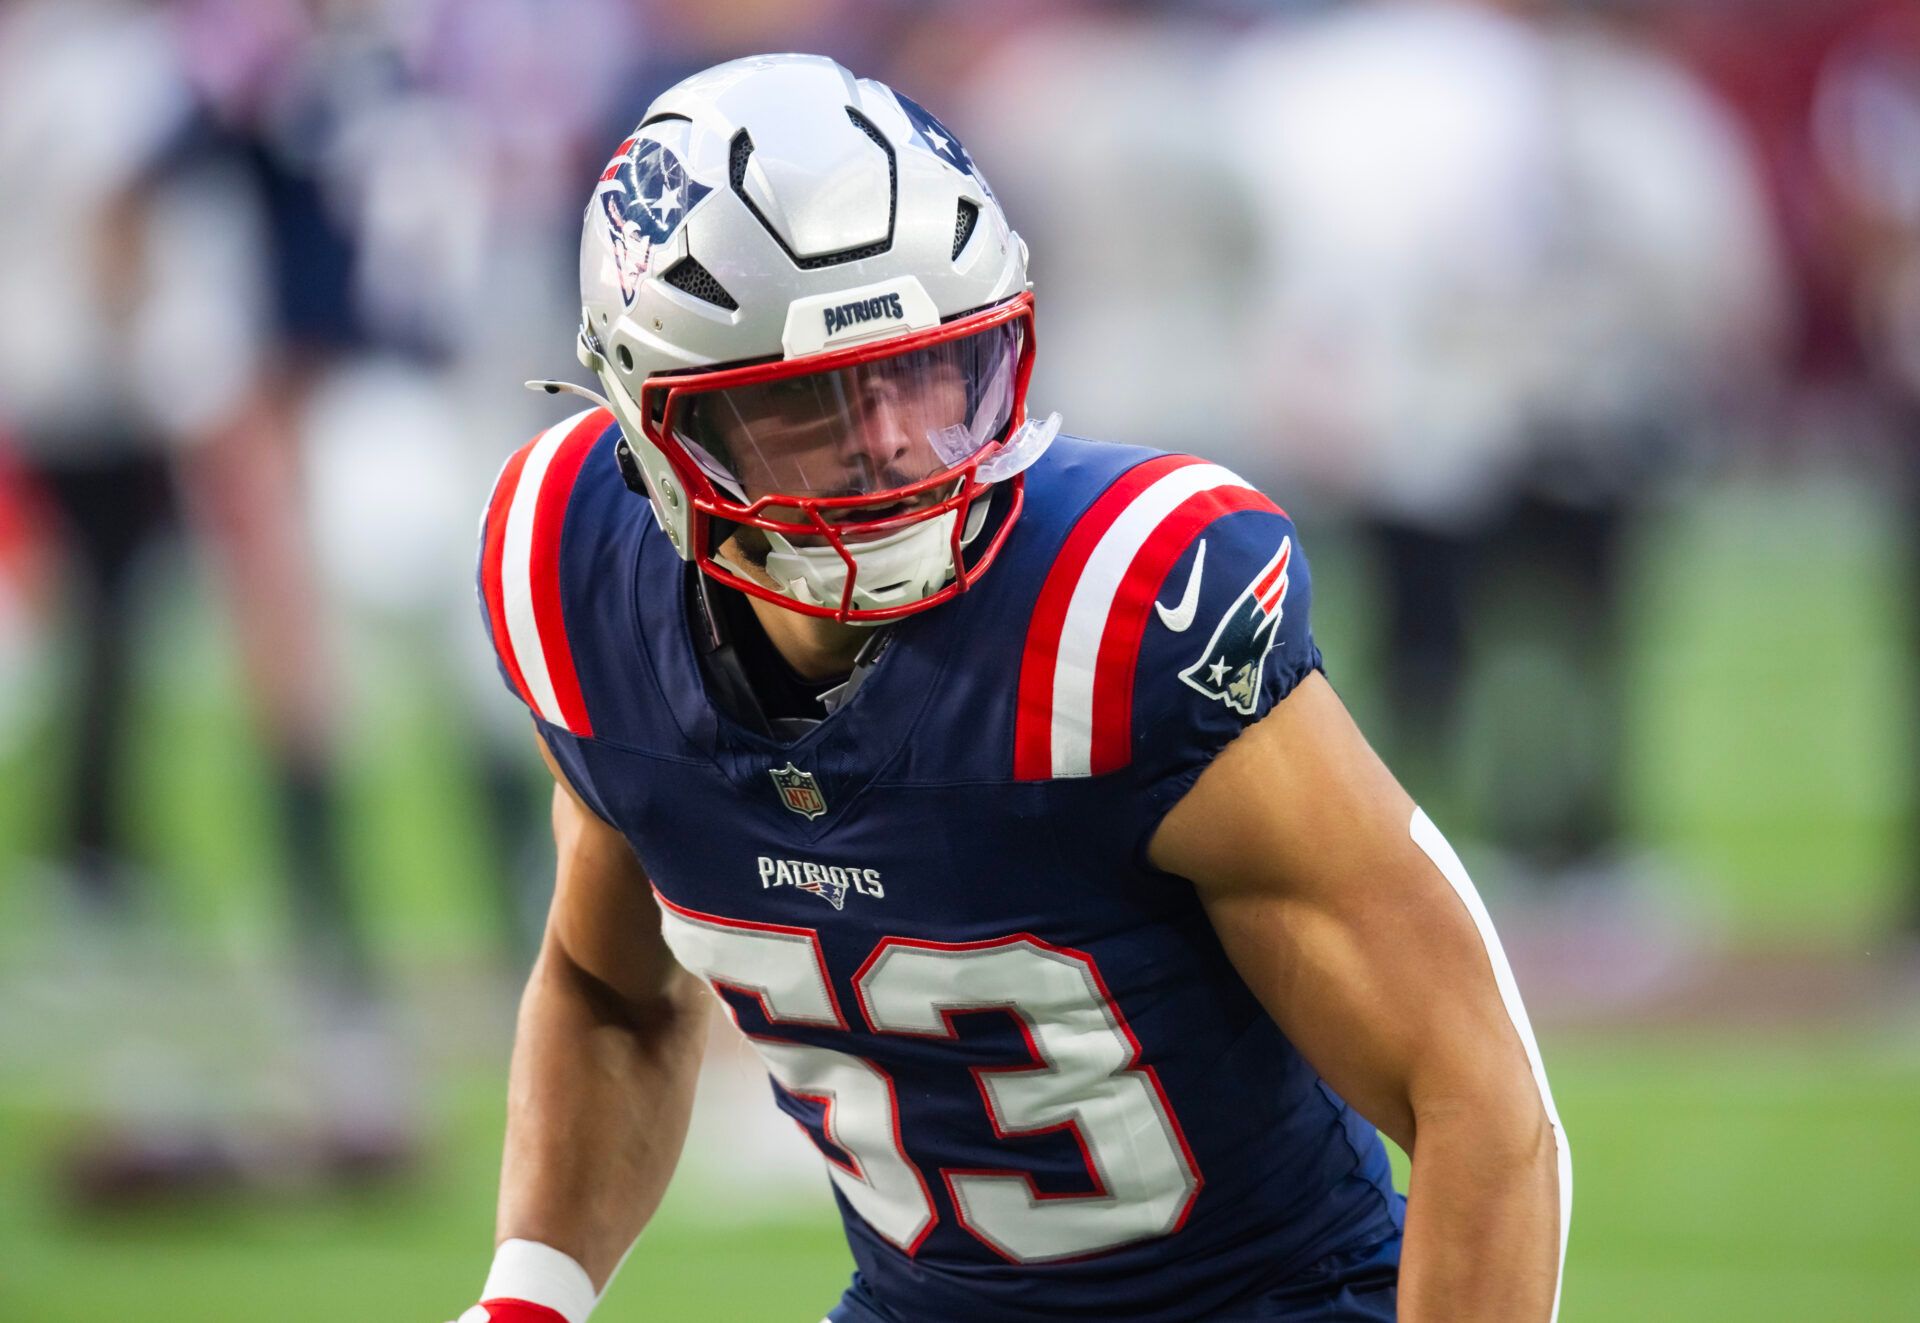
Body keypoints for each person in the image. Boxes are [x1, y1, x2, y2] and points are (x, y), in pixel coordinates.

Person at [455, 54, 1568, 1323]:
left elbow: (1481, 1101)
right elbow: (609, 990)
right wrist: (528, 1299)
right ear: (655, 422)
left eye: (928, 375)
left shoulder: (1122, 608)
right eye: (811, 403)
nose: (887, 445)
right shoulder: (574, 573)